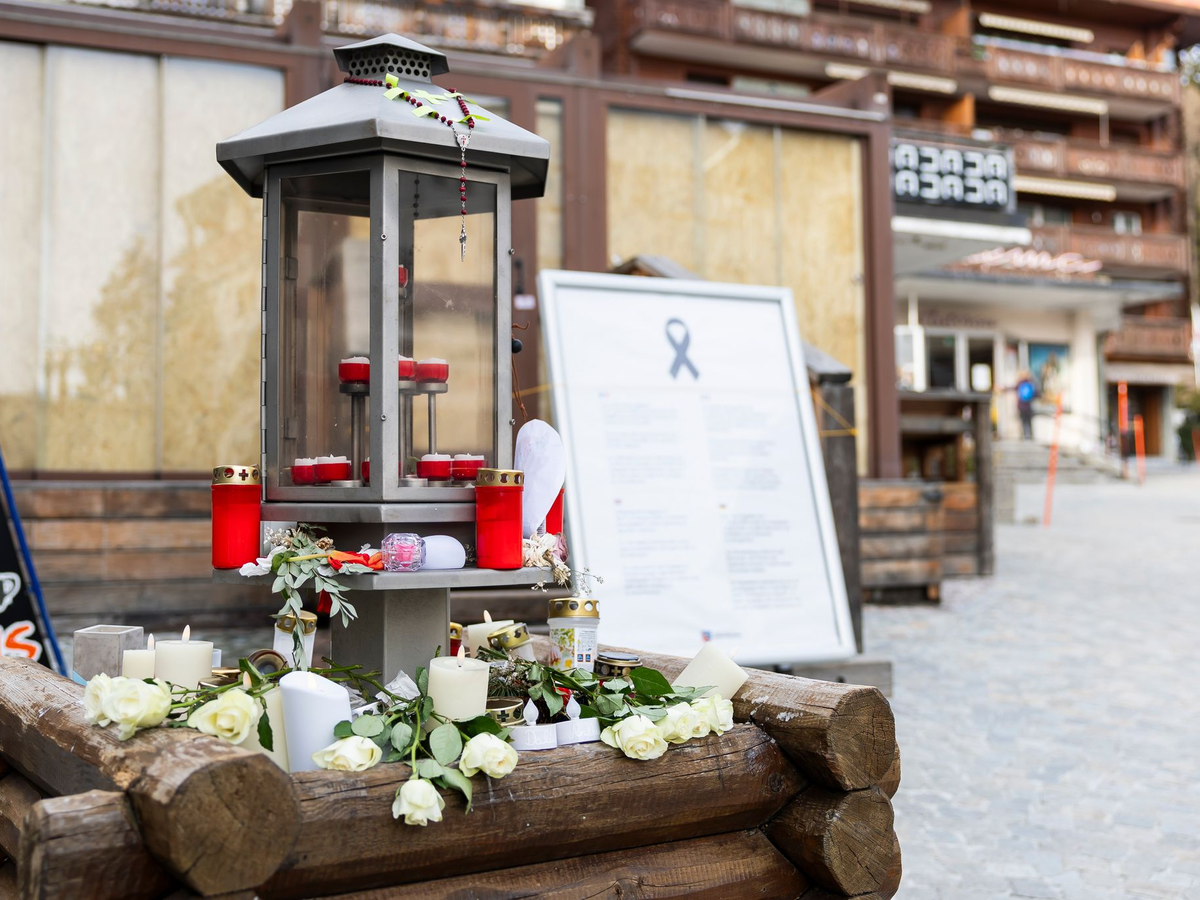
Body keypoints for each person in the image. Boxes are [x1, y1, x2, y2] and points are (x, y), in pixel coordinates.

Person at [1016, 371, 1037, 440]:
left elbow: (1012, 388)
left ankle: (1023, 436)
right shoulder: (1031, 384)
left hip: (1021, 407)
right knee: (1029, 422)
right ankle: (1030, 436)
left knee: (1023, 422)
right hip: (1028, 407)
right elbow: (1036, 394)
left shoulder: (1020, 384)